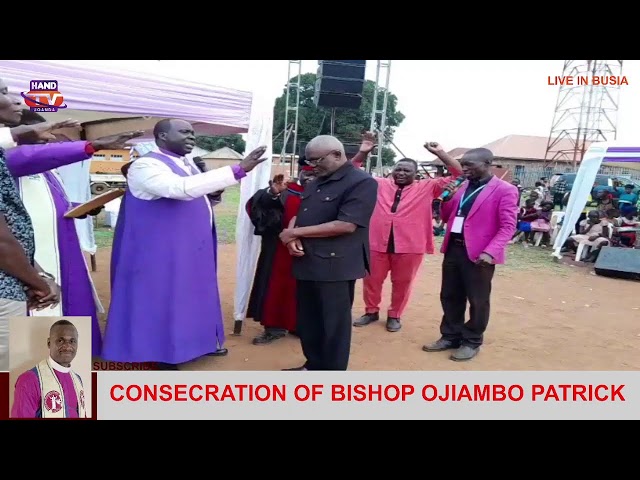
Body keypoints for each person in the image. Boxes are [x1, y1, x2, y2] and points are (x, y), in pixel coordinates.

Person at [103, 118, 268, 370]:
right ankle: (162, 354)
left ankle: (197, 344)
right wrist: (236, 170)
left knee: (192, 298)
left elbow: (194, 197)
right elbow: (178, 189)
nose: (191, 137)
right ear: (162, 137)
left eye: (192, 133)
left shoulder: (186, 164)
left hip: (189, 249)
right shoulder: (145, 165)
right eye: (184, 132)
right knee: (163, 302)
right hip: (158, 253)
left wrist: (212, 195)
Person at [2, 113, 143, 357]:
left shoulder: (45, 170)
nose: (49, 140)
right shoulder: (12, 161)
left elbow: (49, 201)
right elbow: (26, 157)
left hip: (61, 243)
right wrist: (92, 146)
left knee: (69, 300)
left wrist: (78, 207)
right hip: (29, 254)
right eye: (42, 133)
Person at [246, 144, 371, 345]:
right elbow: (261, 211)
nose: (310, 177)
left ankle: (301, 327)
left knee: (312, 300)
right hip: (281, 252)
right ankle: (274, 327)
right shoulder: (288, 191)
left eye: (315, 170)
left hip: (318, 256)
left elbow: (346, 222)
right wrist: (274, 195)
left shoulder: (337, 190)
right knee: (277, 290)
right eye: (307, 172)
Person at [279, 135, 378, 371]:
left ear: (336, 154)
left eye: (317, 160)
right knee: (309, 321)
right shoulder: (318, 180)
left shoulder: (361, 182)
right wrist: (292, 232)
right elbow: (303, 212)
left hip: (336, 266)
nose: (312, 166)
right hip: (309, 261)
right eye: (310, 161)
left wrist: (295, 233)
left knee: (333, 326)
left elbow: (346, 225)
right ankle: (313, 365)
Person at [353, 136, 462, 332]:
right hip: (376, 242)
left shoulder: (429, 187)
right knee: (371, 280)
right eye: (398, 169)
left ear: (416, 174)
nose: (401, 173)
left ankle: (395, 315)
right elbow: (351, 171)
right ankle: (371, 311)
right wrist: (363, 151)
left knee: (403, 283)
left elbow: (459, 173)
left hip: (411, 245)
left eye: (406, 170)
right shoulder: (377, 184)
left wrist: (440, 154)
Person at [422, 148, 518, 361]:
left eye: (469, 165)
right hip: (454, 248)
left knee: (478, 299)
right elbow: (447, 217)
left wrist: (490, 252)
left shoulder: (505, 190)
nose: (464, 169)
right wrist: (445, 200)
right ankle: (450, 335)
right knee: (449, 295)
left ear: (487, 164)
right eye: (462, 165)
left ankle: (472, 340)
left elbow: (508, 226)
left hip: (479, 254)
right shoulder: (461, 186)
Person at [0, 81, 56, 320]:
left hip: (23, 271)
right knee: (13, 355)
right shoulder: (19, 159)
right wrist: (40, 283)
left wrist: (39, 276)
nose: (16, 100)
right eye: (3, 92)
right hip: (10, 283)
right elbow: (2, 242)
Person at [11, 319, 87, 418]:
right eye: (60, 340)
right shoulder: (29, 380)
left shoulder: (77, 379)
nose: (67, 346)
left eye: (72, 341)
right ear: (49, 343)